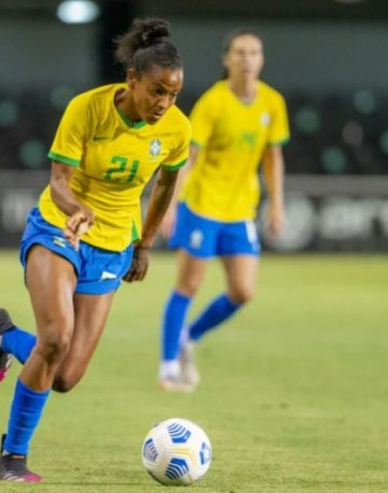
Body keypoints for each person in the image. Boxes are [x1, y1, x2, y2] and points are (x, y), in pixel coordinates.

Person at [0, 18, 190, 482]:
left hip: (114, 244)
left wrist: (144, 242)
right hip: (59, 230)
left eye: (173, 94)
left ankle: (4, 336)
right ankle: (12, 458)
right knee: (55, 338)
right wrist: (77, 209)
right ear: (132, 80)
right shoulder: (87, 109)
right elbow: (58, 181)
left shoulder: (176, 129)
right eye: (157, 91)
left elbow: (165, 184)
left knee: (65, 376)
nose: (165, 104)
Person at [157, 28, 289, 392]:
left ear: (262, 59)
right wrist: (168, 207)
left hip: (240, 211)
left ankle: (189, 337)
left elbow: (272, 156)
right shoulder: (213, 103)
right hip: (201, 205)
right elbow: (188, 157)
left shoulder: (272, 103)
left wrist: (276, 204)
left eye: (254, 53)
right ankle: (168, 365)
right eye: (240, 53)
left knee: (243, 291)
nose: (248, 60)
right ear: (227, 59)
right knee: (188, 285)